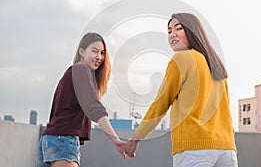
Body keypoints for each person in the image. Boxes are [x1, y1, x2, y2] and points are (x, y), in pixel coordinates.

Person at [126, 13, 238, 167]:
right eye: (169, 31)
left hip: (194, 149)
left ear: (192, 31)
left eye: (178, 29)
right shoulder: (216, 65)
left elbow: (161, 103)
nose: (172, 34)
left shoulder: (182, 59)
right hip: (227, 149)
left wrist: (137, 136)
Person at [38, 32, 127, 167]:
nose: (99, 57)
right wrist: (116, 140)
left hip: (52, 140)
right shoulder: (80, 70)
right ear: (82, 51)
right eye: (94, 51)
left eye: (102, 53)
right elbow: (94, 108)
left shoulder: (73, 72)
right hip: (63, 142)